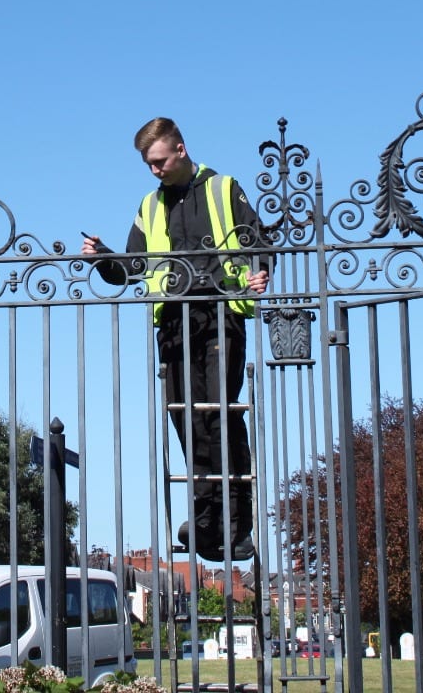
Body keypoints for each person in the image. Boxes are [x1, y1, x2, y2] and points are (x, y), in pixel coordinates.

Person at [82, 117, 269, 562]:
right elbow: (131, 268)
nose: (155, 171)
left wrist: (260, 272)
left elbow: (258, 238)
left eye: (160, 162)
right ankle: (207, 515)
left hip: (221, 312)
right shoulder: (149, 205)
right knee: (185, 417)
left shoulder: (224, 188)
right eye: (149, 164)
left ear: (180, 150)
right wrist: (103, 257)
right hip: (174, 323)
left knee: (219, 415)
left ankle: (236, 521)